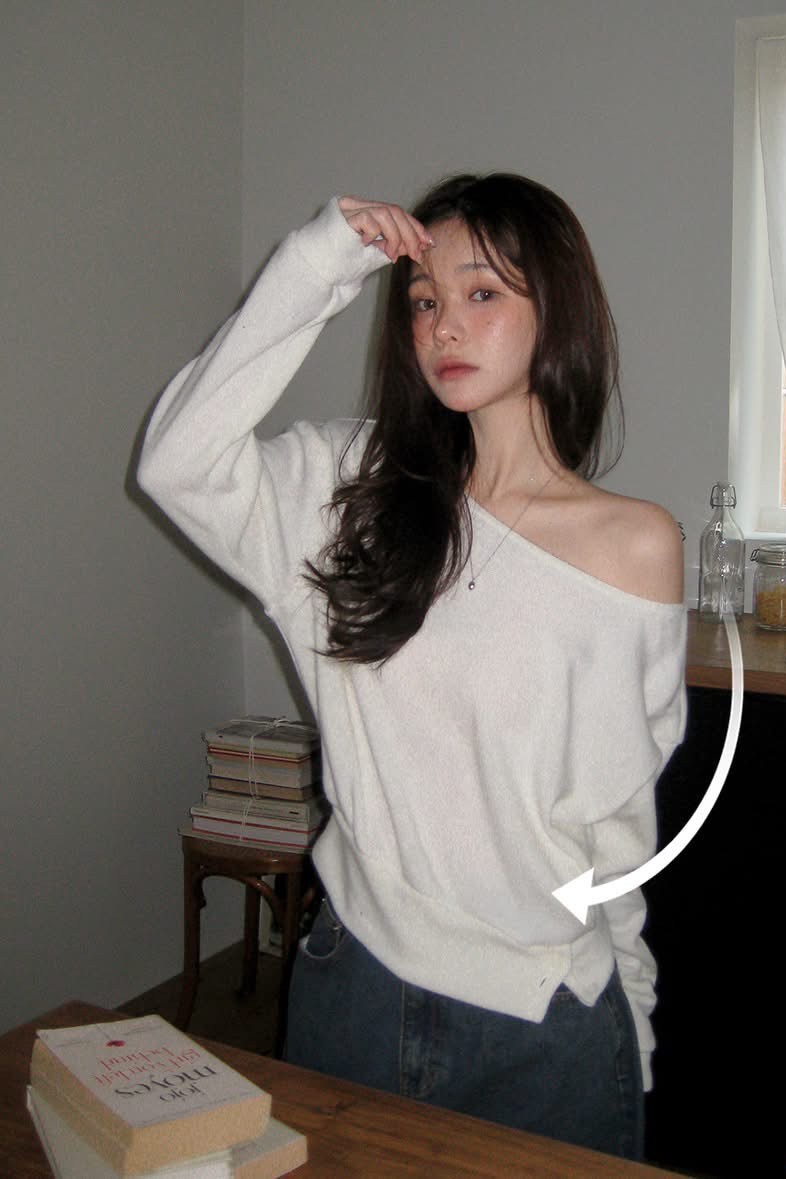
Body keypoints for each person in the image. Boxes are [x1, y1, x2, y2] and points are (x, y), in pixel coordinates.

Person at [138, 173, 686, 1159]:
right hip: (357, 988)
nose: (444, 325)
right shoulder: (346, 491)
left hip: (547, 1019)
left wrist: (630, 1033)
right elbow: (176, 463)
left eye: (482, 293)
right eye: (425, 300)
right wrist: (317, 263)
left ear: (556, 312)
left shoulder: (632, 546)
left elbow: (615, 831)